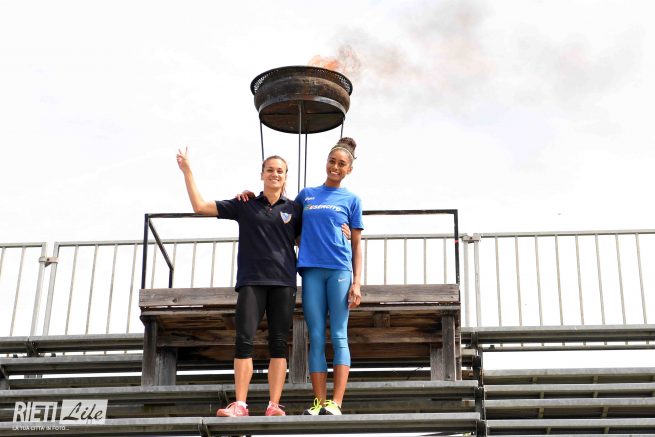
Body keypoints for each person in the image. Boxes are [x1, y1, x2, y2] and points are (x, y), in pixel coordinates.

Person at [176, 147, 302, 417]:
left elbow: (310, 240)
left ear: (286, 176)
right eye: (270, 170)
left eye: (280, 171)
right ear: (262, 174)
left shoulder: (295, 209)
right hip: (251, 281)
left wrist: (343, 232)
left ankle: (273, 405)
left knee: (279, 343)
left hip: (283, 282)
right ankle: (241, 404)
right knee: (244, 340)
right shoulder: (245, 204)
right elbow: (200, 206)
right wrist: (187, 171)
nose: (275, 174)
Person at [295, 137, 363, 416]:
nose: (335, 167)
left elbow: (356, 244)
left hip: (339, 270)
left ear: (349, 169)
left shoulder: (352, 200)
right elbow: (286, 222)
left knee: (338, 334)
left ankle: (336, 402)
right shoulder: (306, 195)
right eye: (332, 161)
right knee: (315, 335)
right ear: (326, 162)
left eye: (341, 164)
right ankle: (319, 402)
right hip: (311, 270)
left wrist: (357, 282)